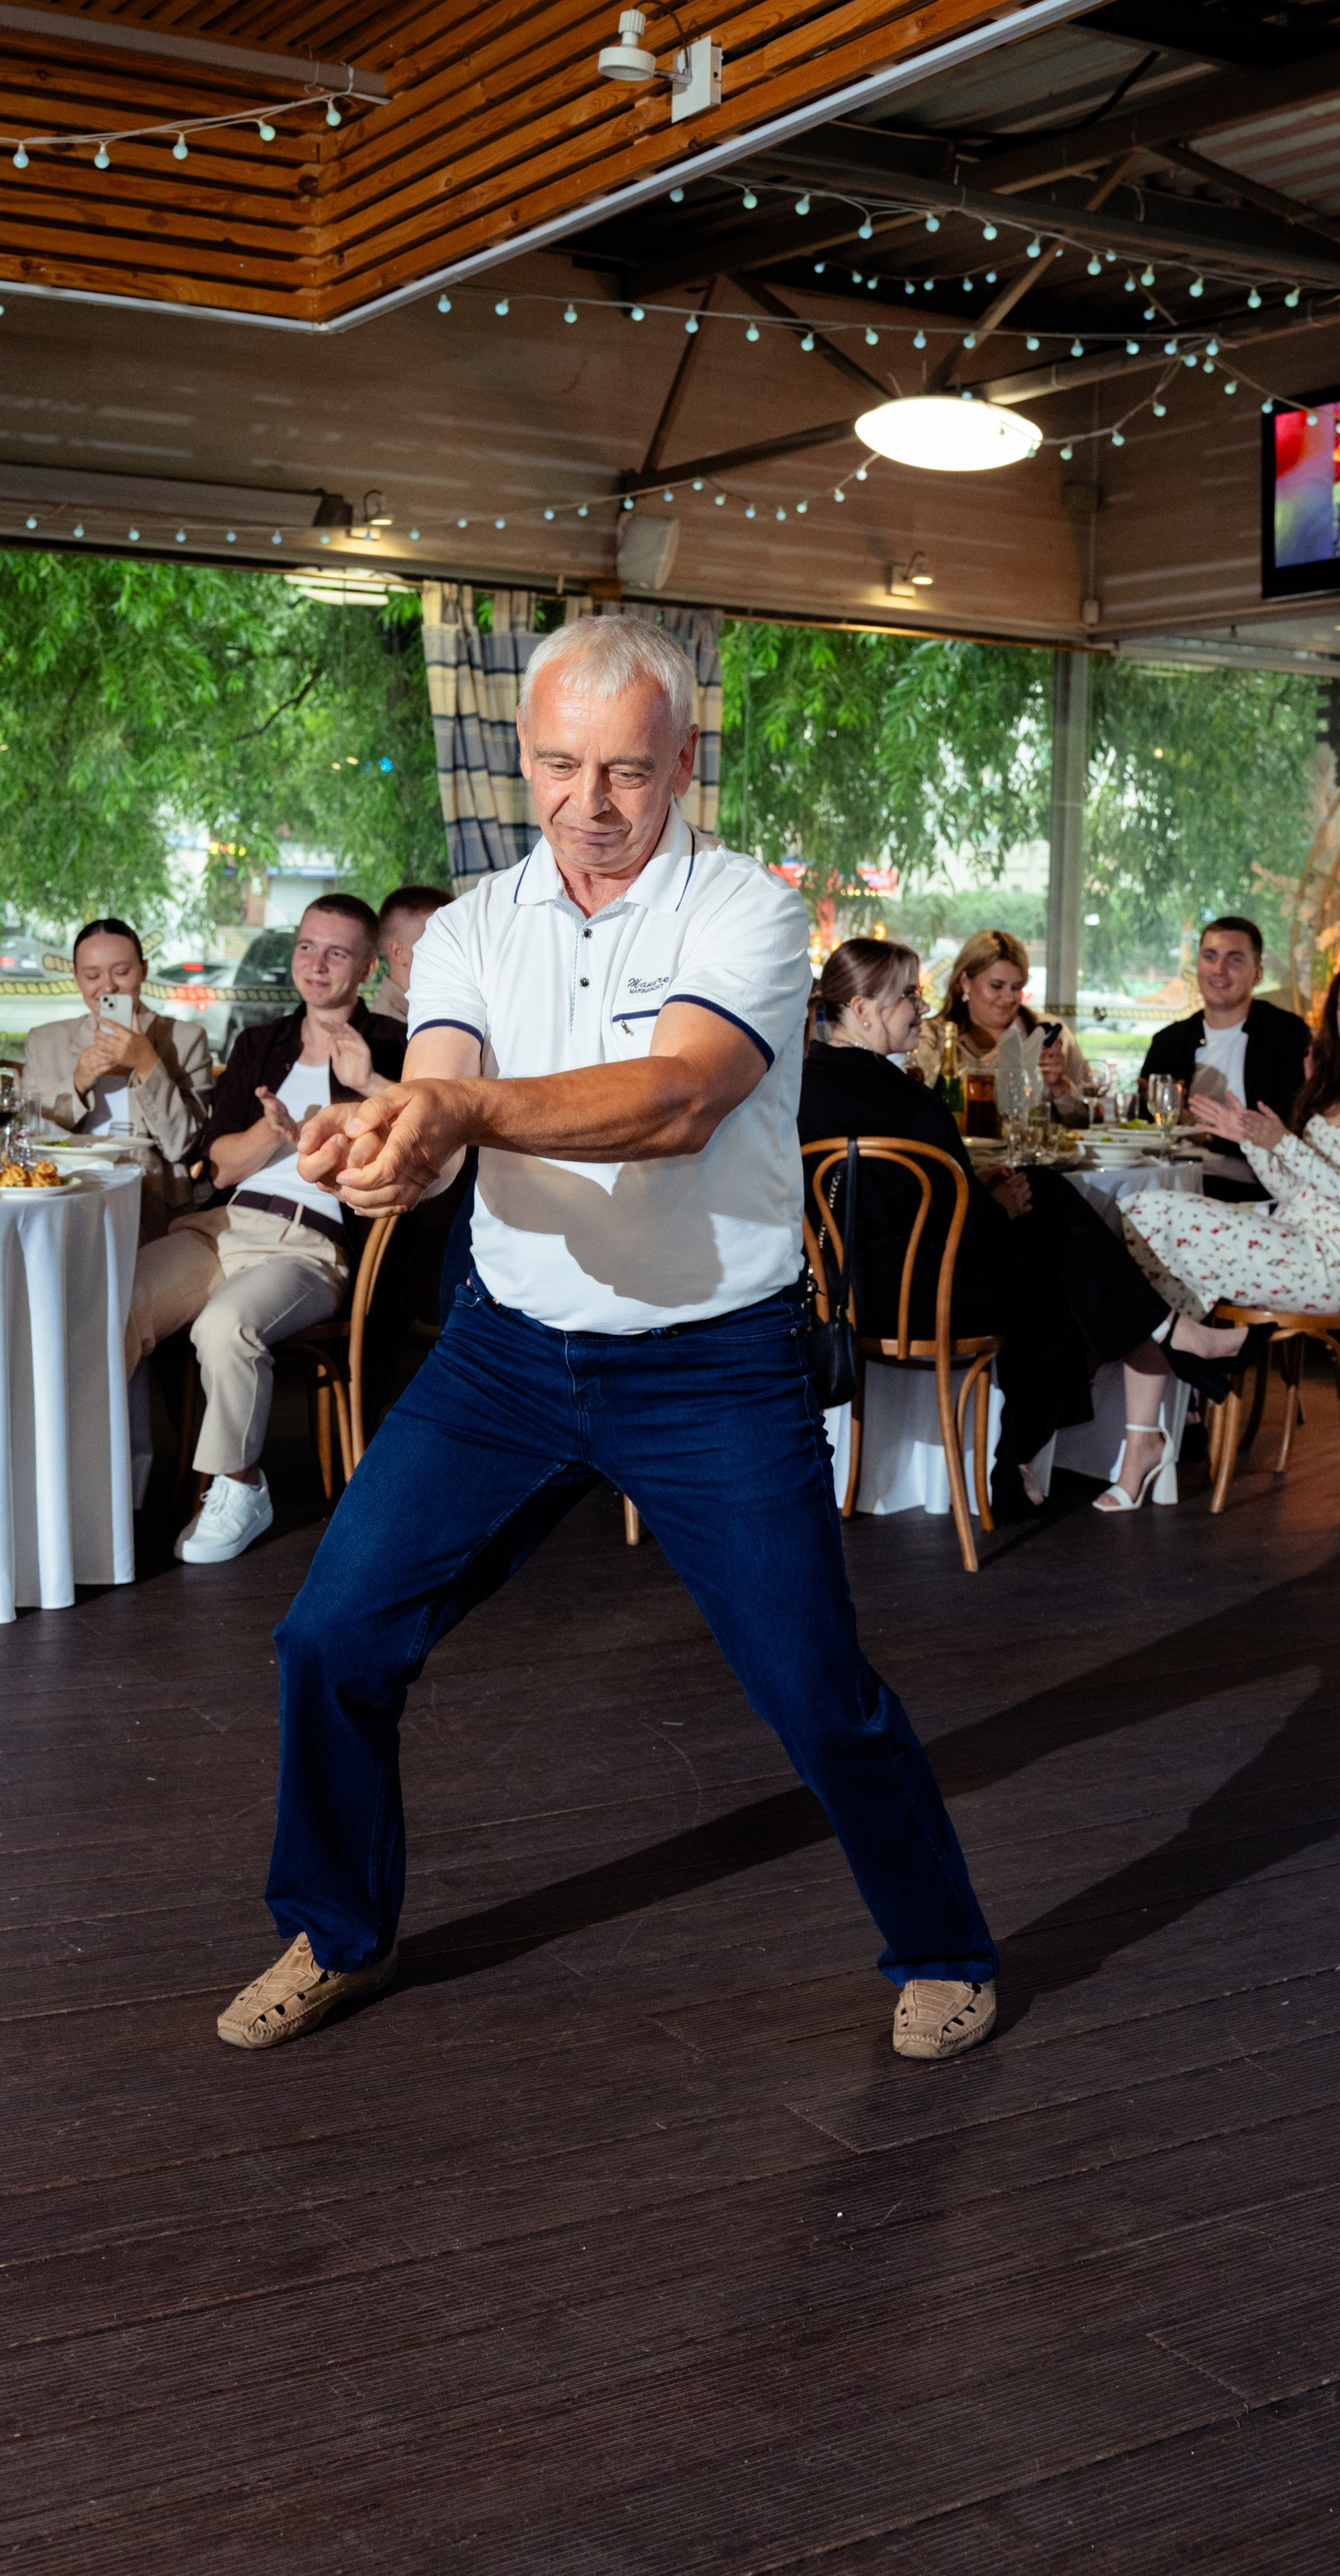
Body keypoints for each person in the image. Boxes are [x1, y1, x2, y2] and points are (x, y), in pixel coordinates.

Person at [215, 615, 997, 2071]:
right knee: (330, 1637)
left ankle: (945, 1948)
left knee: (814, 1692)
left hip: (714, 1366)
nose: (592, 801)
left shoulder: (747, 913)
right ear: (523, 758)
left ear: (683, 763)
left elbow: (677, 1100)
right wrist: (395, 1148)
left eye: (629, 770)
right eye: (563, 765)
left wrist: (456, 1114)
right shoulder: (471, 929)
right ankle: (336, 1931)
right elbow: (443, 1092)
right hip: (505, 1356)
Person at [801, 938, 1239, 1513]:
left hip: (839, 1294)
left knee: (1054, 1220)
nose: (922, 1007)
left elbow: (900, 1202)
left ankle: (1144, 1356)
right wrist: (999, 1205)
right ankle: (1155, 1345)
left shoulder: (800, 1087)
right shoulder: (910, 1102)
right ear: (862, 1009)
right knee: (1061, 1254)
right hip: (925, 1302)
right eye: (909, 994)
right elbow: (963, 1234)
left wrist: (975, 1186)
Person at [125, 895, 405, 1565]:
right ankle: (110, 1482)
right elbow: (220, 1166)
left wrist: (367, 1081)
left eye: (337, 952)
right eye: (307, 946)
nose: (317, 963)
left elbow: (424, 1143)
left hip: (310, 1245)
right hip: (223, 1226)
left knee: (224, 1326)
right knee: (116, 1303)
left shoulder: (394, 1044)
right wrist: (274, 1135)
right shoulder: (259, 1044)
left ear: (367, 967)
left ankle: (240, 1485)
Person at [1115, 947, 1340, 1503]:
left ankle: (1187, 1366)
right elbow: (1295, 1192)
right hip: (1297, 1238)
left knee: (1147, 1216)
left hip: (1339, 1265)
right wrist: (1252, 1142)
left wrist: (1284, 1142)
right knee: (1144, 1230)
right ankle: (1147, 1429)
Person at [19, 917, 212, 1238]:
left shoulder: (185, 1040)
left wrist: (147, 1064)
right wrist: (78, 1083)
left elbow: (181, 1146)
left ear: (144, 971)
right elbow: (28, 1136)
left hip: (148, 1205)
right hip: (63, 1199)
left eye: (121, 972)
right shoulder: (45, 1042)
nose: (108, 988)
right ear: (76, 978)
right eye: (92, 976)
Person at [1137, 915, 1310, 1201]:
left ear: (1258, 974)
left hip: (1254, 1185)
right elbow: (1142, 1125)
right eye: (1210, 957)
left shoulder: (1285, 1035)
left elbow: (1291, 1128)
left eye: (1235, 960)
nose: (1219, 970)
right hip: (1170, 1178)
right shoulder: (1169, 1041)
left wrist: (1203, 1132)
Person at [913, 929, 1090, 1122]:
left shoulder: (1049, 1033)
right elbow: (925, 1112)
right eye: (996, 986)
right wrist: (998, 1061)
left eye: (1016, 987)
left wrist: (1059, 1086)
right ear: (966, 982)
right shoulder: (931, 1036)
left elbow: (1086, 1120)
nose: (1008, 997)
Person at [369, 884, 452, 1024]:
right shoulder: (387, 1030)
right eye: (438, 943)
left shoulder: (435, 1007)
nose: (453, 953)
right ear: (398, 952)